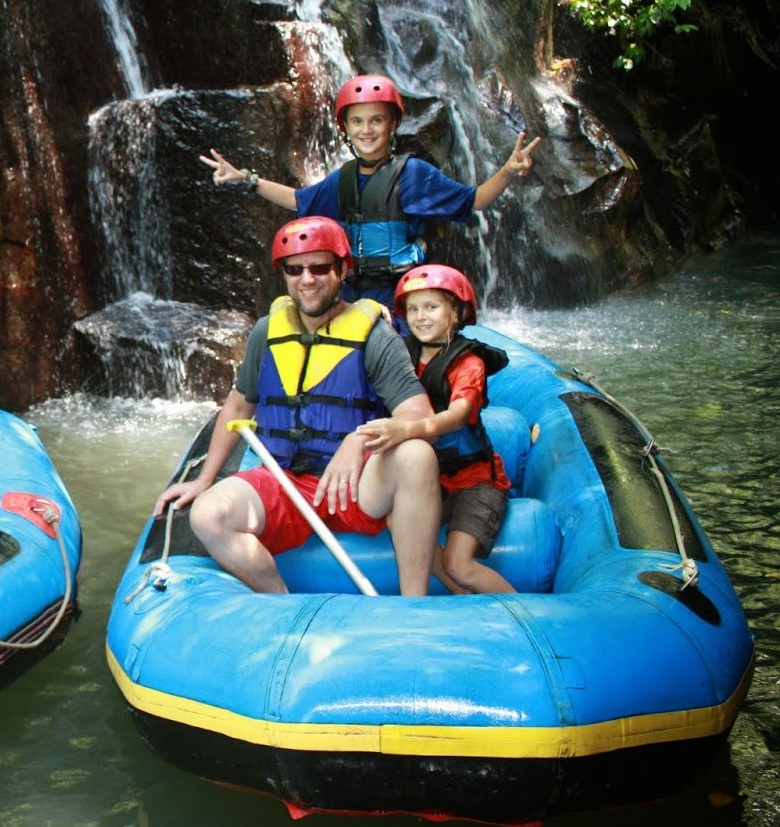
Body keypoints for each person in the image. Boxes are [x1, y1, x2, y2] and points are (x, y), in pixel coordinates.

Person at [152, 216, 442, 595]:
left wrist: (358, 440)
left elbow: (418, 415)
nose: (307, 279)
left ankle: (412, 606)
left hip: (354, 485)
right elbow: (239, 407)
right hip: (283, 479)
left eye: (320, 267)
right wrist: (205, 478)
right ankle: (281, 603)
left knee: (417, 455)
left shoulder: (375, 335)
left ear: (342, 271)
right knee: (208, 515)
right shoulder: (266, 332)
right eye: (295, 269)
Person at [199, 73, 542, 308]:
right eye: (358, 122)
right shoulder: (343, 179)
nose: (367, 130)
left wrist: (508, 172)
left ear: (393, 125)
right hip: (349, 297)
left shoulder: (413, 174)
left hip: (400, 297)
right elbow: (296, 200)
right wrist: (248, 179)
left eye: (377, 120)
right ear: (346, 128)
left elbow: (475, 200)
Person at [357, 265, 516, 594]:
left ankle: (523, 613)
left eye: (431, 307)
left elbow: (458, 415)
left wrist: (409, 430)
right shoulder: (401, 354)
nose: (420, 317)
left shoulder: (468, 363)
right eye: (413, 309)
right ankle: (459, 595)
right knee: (399, 522)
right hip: (434, 479)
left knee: (460, 563)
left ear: (456, 312)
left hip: (476, 482)